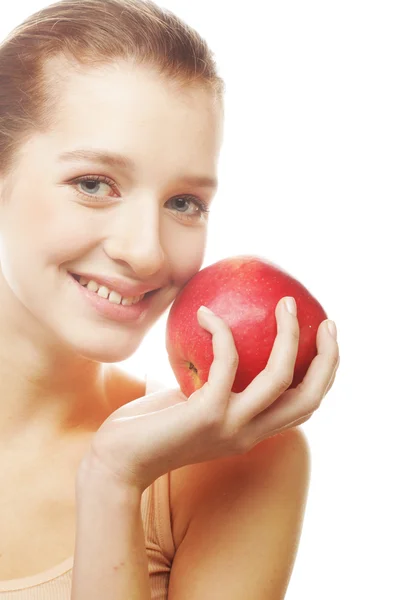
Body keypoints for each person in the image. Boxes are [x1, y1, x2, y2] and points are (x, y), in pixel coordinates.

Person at [0, 0, 340, 598]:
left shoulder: (236, 464)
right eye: (94, 184)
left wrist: (113, 480)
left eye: (184, 202)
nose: (148, 253)